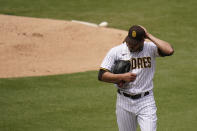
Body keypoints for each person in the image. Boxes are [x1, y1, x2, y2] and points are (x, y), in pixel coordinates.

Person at [98, 25, 174, 131]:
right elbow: (101, 75)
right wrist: (121, 76)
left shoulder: (150, 48)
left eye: (135, 44)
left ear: (142, 41)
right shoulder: (116, 51)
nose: (131, 46)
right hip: (124, 101)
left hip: (146, 101)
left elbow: (169, 50)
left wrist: (148, 35)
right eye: (130, 42)